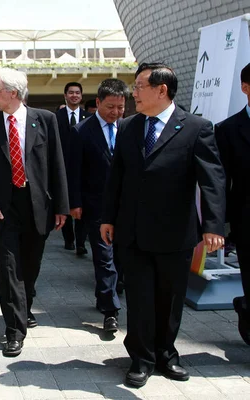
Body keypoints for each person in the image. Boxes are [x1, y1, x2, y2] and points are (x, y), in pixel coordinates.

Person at [101, 63, 225, 387]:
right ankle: (141, 359)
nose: (134, 93)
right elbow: (117, 177)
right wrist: (107, 217)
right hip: (134, 231)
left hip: (175, 233)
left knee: (169, 300)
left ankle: (166, 354)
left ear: (161, 90)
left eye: (140, 86)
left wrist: (213, 225)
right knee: (140, 299)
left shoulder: (197, 127)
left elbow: (212, 180)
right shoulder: (129, 127)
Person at [0, 67, 69, 357]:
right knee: (9, 267)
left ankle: (24, 304)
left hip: (37, 205)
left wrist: (62, 206)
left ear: (13, 93)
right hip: (4, 208)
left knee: (30, 265)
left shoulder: (45, 120)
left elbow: (57, 164)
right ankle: (13, 330)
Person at [68, 79, 128, 333]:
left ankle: (108, 291)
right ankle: (110, 310)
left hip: (126, 205)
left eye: (121, 107)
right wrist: (74, 202)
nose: (115, 112)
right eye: (110, 106)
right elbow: (74, 170)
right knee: (104, 258)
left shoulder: (130, 128)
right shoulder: (81, 131)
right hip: (95, 205)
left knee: (121, 257)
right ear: (98, 102)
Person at [215, 62, 250, 346]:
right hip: (247, 218)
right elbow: (221, 180)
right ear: (245, 87)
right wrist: (220, 224)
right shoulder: (227, 130)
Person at [56, 82, 91, 255]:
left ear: (81, 96)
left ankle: (81, 242)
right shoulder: (56, 117)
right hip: (62, 167)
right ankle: (69, 239)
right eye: (71, 93)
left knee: (82, 204)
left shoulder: (88, 118)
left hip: (83, 168)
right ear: (65, 95)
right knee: (65, 203)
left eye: (77, 93)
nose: (74, 96)